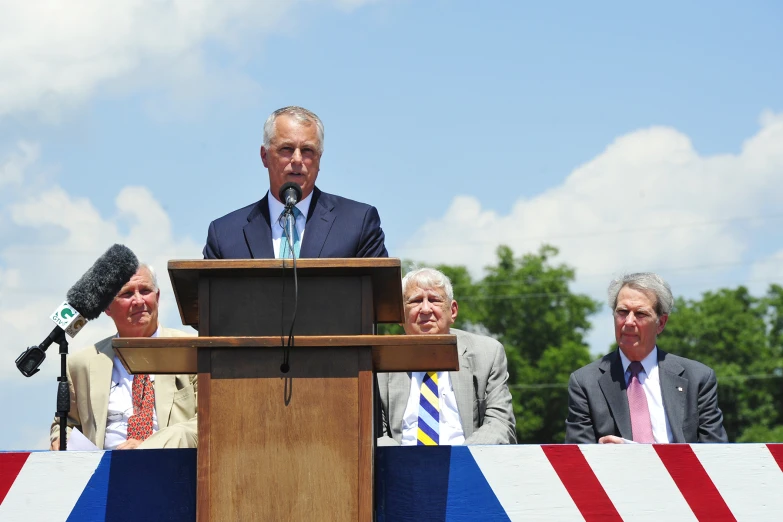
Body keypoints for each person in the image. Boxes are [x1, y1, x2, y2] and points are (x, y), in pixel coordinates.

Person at [203, 106, 387, 259]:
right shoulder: (225, 235)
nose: (298, 159)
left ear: (319, 159)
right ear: (264, 156)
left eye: (307, 150)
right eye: (287, 149)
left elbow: (380, 299)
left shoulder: (357, 223)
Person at [565, 272, 728, 444]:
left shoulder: (697, 378)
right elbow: (577, 459)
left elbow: (715, 452)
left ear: (661, 323)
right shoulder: (585, 382)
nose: (628, 321)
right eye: (622, 311)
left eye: (640, 314)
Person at [49, 264, 197, 450]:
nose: (138, 300)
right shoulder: (82, 364)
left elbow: (208, 421)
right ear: (107, 307)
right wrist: (61, 439)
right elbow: (65, 425)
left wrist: (147, 448)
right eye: (127, 294)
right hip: (106, 473)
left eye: (145, 291)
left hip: (172, 469)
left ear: (157, 297)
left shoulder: (191, 350)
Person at [377, 268, 516, 445]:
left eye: (434, 300)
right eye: (416, 301)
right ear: (399, 313)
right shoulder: (379, 361)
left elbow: (501, 424)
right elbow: (373, 433)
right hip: (400, 467)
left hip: (468, 465)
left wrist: (463, 462)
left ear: (453, 311)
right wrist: (404, 465)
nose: (425, 309)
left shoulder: (487, 353)